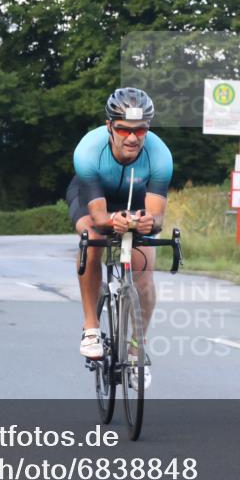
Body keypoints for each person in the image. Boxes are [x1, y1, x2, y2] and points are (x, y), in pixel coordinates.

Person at [67, 87, 173, 390]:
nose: (132, 137)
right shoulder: (88, 151)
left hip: (135, 197)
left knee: (144, 272)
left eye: (140, 129)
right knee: (91, 237)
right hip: (94, 196)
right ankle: (91, 328)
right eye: (124, 128)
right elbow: (100, 218)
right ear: (109, 126)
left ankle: (137, 350)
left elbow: (157, 218)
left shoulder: (160, 156)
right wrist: (113, 221)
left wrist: (147, 223)